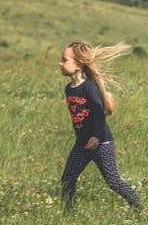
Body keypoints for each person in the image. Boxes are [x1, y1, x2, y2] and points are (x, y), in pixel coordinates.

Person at [59, 41, 142, 211]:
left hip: (101, 143)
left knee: (113, 181)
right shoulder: (69, 89)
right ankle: (68, 213)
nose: (60, 63)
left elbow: (99, 113)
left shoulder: (89, 87)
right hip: (82, 144)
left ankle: (139, 207)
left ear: (78, 65)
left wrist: (96, 136)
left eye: (65, 60)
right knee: (67, 178)